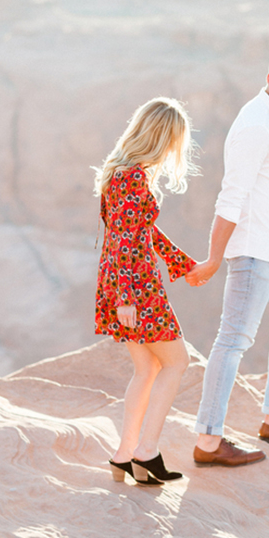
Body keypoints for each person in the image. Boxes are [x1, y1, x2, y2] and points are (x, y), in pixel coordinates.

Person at [186, 47, 269, 467]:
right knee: (233, 340)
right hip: (251, 250)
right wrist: (212, 258)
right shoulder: (256, 126)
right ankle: (208, 440)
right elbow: (233, 197)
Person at [94, 97, 197, 485]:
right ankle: (146, 451)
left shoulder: (117, 171)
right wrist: (126, 298)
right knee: (176, 362)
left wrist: (181, 264)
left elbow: (141, 232)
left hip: (123, 279)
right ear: (163, 137)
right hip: (135, 284)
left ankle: (124, 453)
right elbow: (123, 240)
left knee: (147, 367)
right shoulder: (133, 176)